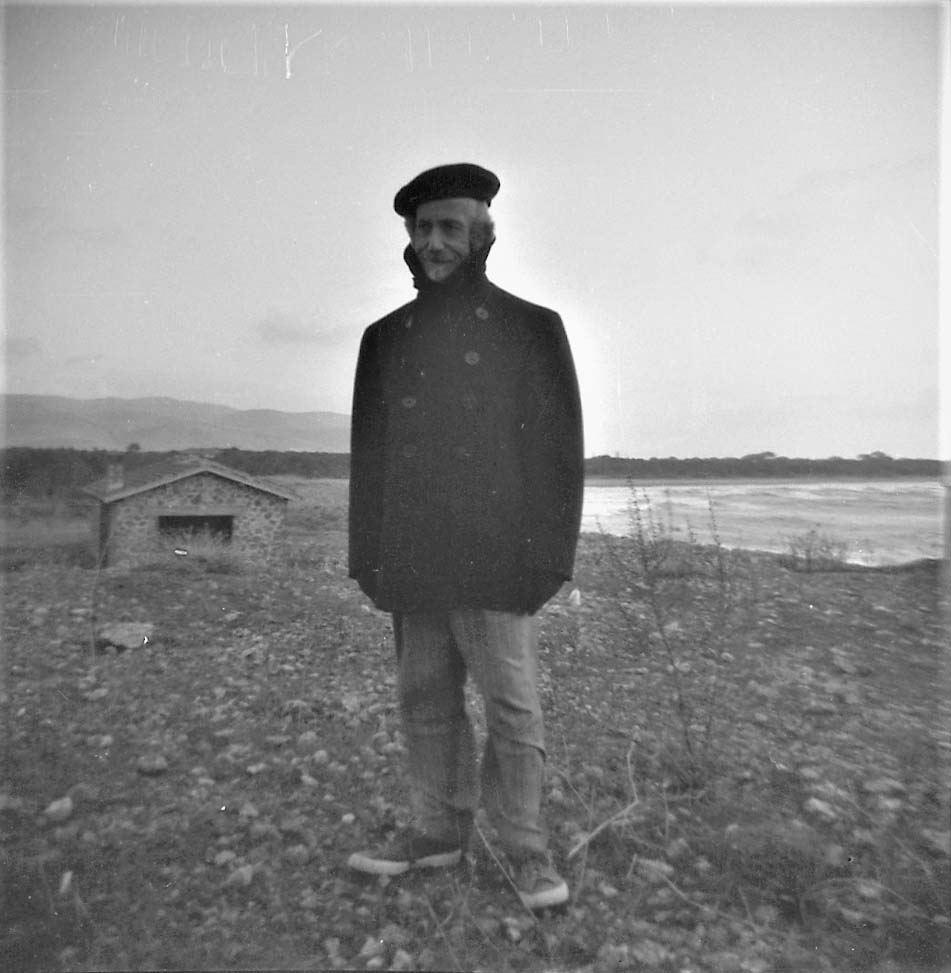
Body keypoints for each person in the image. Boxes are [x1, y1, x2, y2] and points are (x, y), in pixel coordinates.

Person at [346, 163, 584, 910]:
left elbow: (556, 456)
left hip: (497, 557)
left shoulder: (530, 328)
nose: (434, 242)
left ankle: (525, 849)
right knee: (423, 699)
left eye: (449, 227)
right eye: (422, 229)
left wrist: (549, 560)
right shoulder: (385, 338)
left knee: (512, 708)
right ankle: (435, 831)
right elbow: (370, 457)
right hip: (412, 555)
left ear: (483, 233)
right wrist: (366, 559)